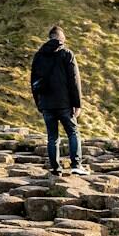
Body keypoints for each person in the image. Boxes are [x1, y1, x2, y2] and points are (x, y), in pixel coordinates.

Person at [29, 26, 83, 174]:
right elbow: (74, 81)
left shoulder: (39, 56)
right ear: (60, 37)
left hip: (46, 104)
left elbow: (33, 82)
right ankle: (76, 166)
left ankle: (55, 168)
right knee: (73, 132)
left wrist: (39, 104)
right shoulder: (67, 54)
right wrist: (77, 104)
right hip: (64, 104)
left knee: (52, 137)